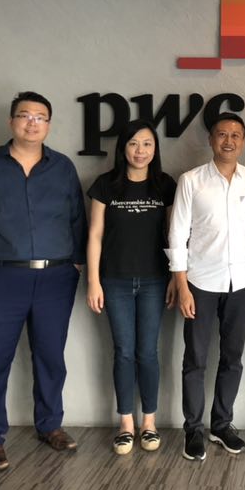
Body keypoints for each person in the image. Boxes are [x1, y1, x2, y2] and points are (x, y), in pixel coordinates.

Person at [0, 91, 86, 471]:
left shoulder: (62, 168)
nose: (32, 123)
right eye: (25, 115)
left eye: (40, 117)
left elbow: (77, 218)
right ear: (11, 122)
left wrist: (75, 264)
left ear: (49, 125)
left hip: (55, 278)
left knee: (51, 356)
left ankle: (50, 425)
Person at [166, 113, 245, 461]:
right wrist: (182, 285)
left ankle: (222, 425)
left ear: (243, 141)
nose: (228, 141)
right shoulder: (191, 180)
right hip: (200, 283)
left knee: (232, 358)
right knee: (195, 359)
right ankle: (193, 429)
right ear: (211, 140)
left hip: (242, 283)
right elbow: (177, 234)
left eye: (236, 135)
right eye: (222, 134)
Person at [86, 120, 177, 455]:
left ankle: (149, 423)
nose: (141, 151)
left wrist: (175, 278)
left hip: (155, 280)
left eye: (147, 144)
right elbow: (95, 234)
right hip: (115, 281)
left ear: (155, 149)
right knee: (123, 351)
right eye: (134, 143)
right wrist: (93, 281)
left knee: (148, 352)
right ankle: (126, 424)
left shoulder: (165, 185)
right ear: (123, 148)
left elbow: (175, 235)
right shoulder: (106, 185)